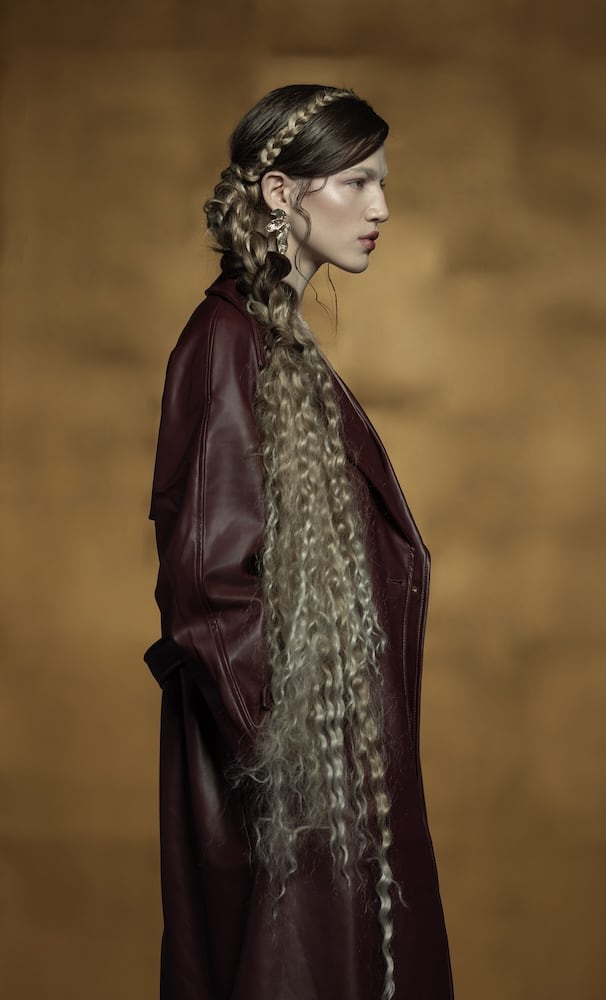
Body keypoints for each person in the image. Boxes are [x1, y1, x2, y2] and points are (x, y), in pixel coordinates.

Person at [144, 84, 454, 1000]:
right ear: (280, 193)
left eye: (382, 182)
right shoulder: (226, 342)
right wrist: (295, 762)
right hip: (289, 780)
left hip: (324, 764)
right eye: (356, 182)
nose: (380, 207)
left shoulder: (273, 338)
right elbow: (207, 588)